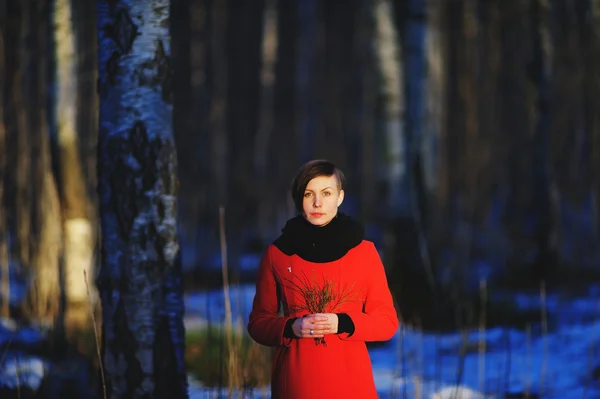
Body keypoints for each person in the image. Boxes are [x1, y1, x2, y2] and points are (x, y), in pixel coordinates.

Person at [247, 159, 399, 398]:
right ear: (299, 199)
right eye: (309, 194)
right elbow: (258, 324)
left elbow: (387, 322)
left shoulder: (364, 253)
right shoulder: (278, 254)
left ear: (339, 197)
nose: (318, 203)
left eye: (326, 193)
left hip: (351, 380)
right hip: (297, 381)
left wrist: (343, 323)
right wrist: (291, 326)